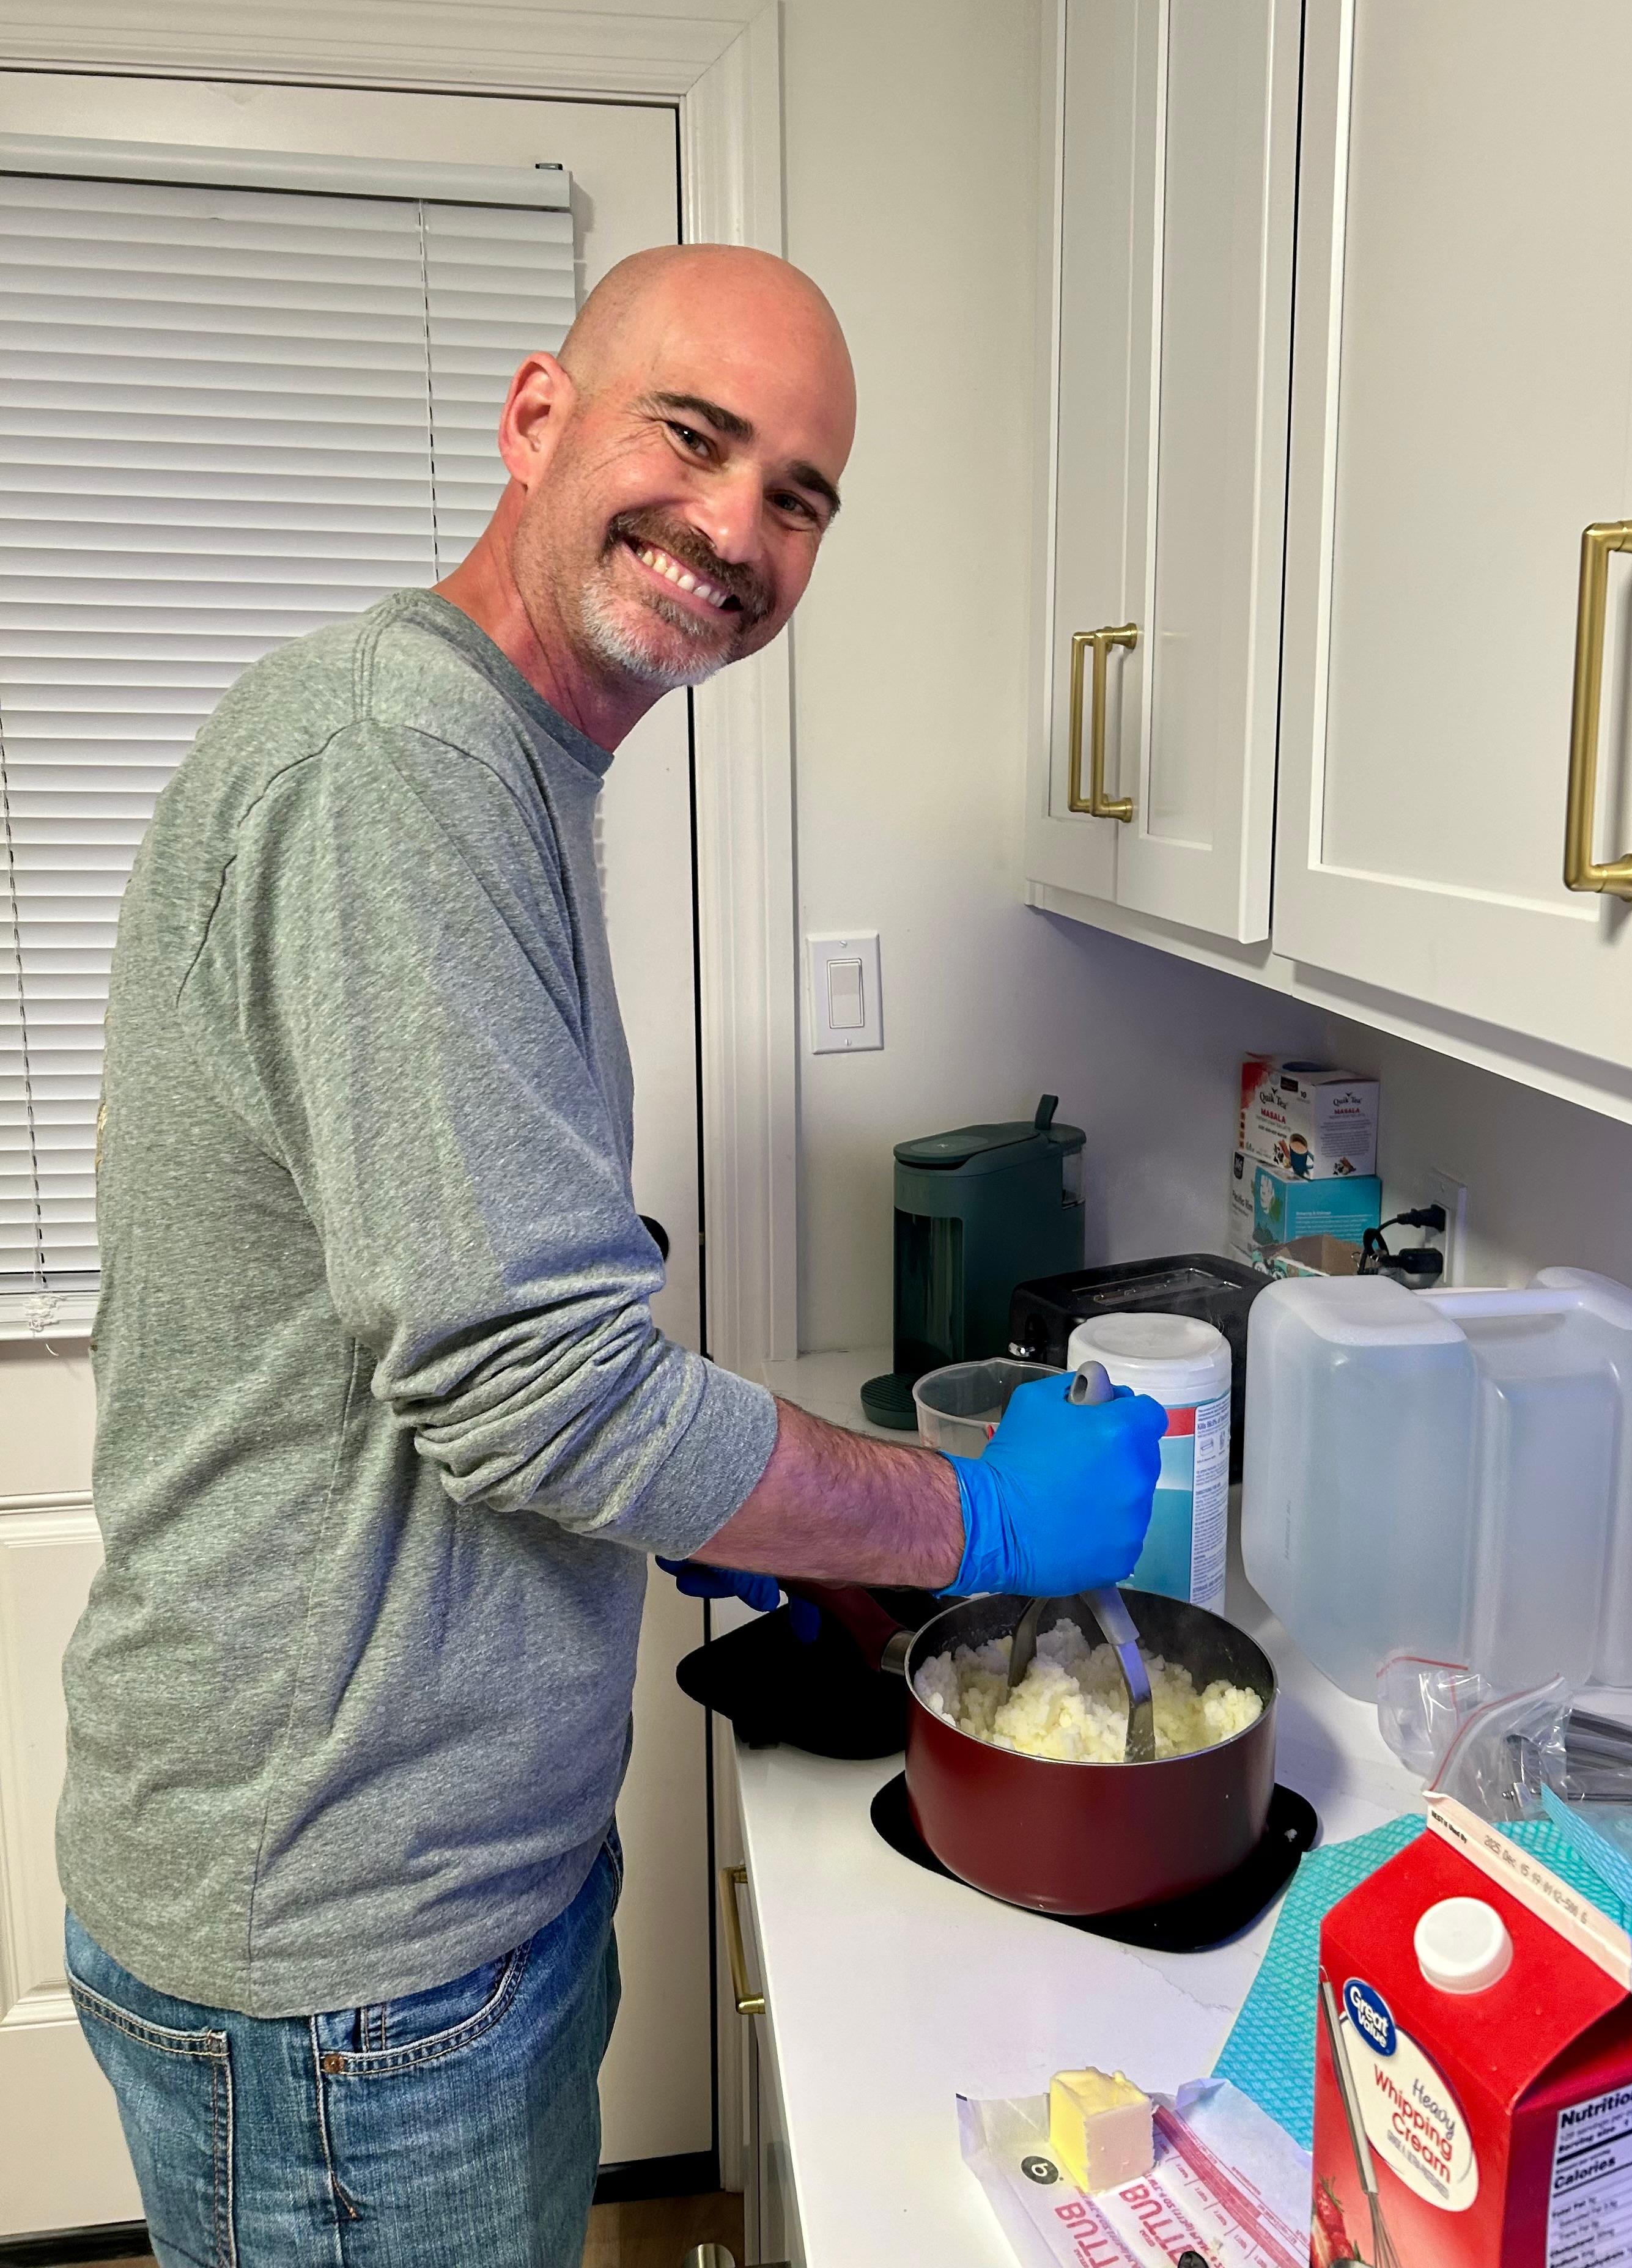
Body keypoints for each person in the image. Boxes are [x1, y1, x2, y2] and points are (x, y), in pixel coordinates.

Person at [57, 243, 1164, 2268]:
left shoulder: (505, 765)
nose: (737, 527)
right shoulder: (394, 764)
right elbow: (538, 1389)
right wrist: (967, 1523)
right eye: (695, 435)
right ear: (536, 419)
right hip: (348, 1958)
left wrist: (756, 1514)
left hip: (438, 1913)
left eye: (801, 495)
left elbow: (477, 1296)